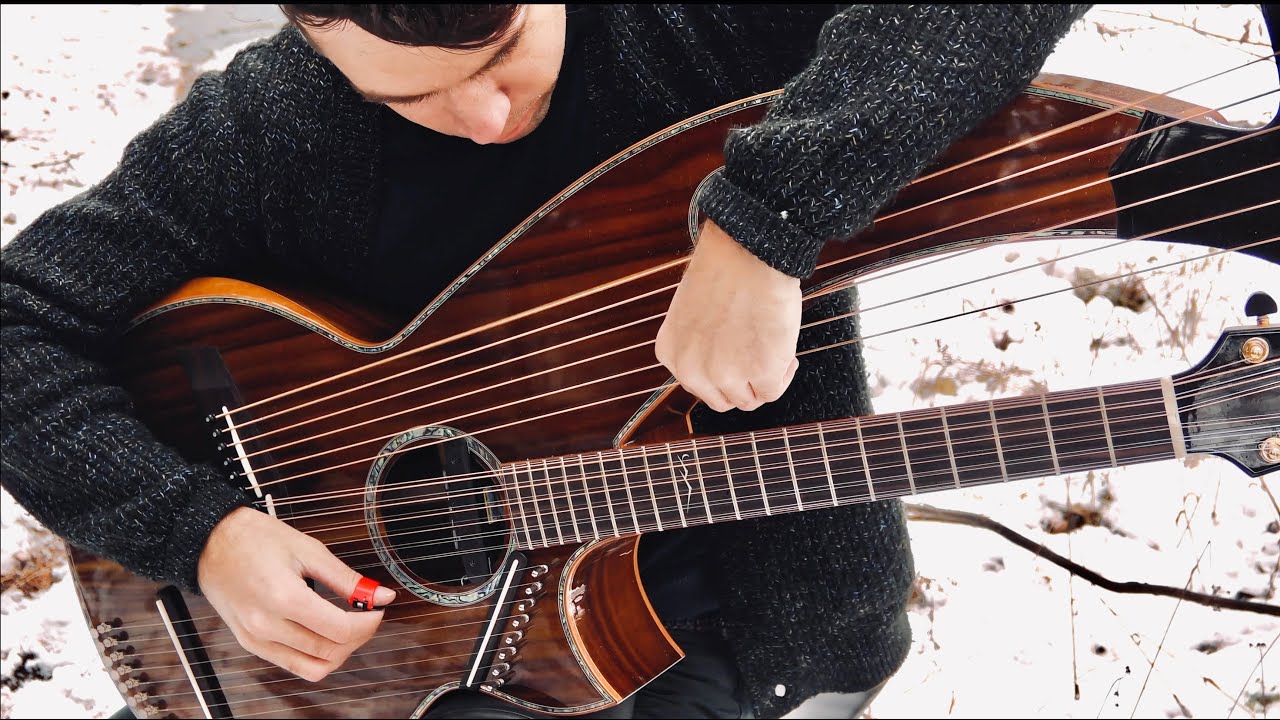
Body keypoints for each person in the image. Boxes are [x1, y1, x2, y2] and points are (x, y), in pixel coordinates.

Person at [0, 4, 1090, 718]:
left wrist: (768, 215)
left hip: (767, 625)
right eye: (408, 96)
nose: (480, 116)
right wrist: (203, 535)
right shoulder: (275, 125)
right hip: (431, 661)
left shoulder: (693, 25)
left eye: (501, 51)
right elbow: (18, 324)